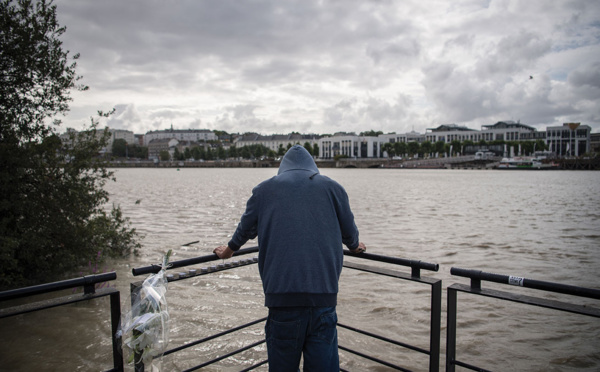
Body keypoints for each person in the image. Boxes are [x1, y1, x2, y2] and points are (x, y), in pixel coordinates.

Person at [213, 144, 366, 371]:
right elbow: (349, 232)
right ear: (312, 167)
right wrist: (354, 246)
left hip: (282, 300)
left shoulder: (264, 190)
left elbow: (245, 229)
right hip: (323, 298)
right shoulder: (334, 189)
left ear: (282, 168)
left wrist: (229, 250)